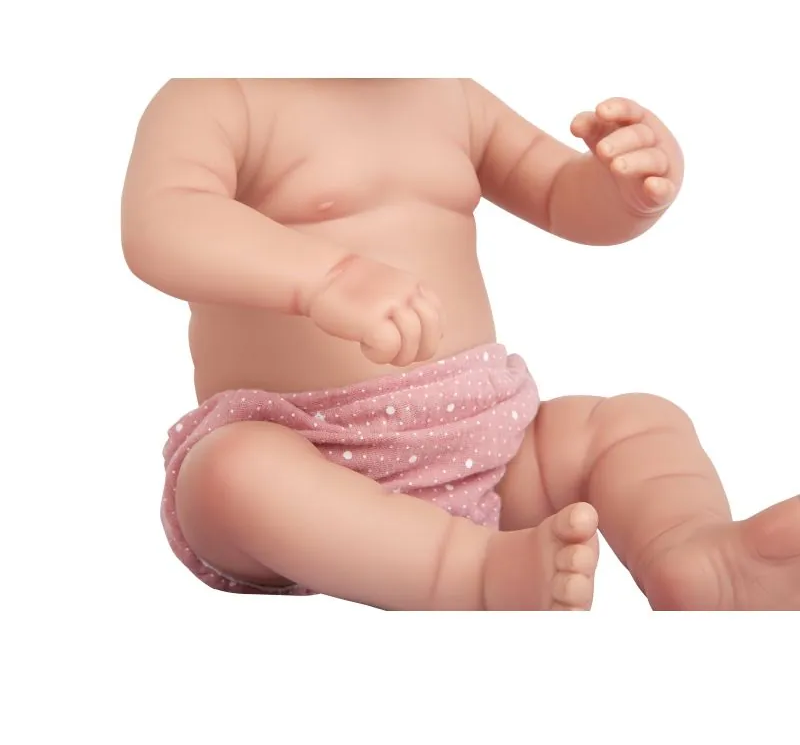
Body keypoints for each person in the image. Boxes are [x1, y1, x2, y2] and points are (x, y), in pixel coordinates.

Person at [121, 78, 800, 610]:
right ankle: (476, 578)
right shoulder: (218, 94)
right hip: (303, 452)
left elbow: (558, 193)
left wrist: (624, 192)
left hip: (489, 449)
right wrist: (325, 276)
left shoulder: (451, 94)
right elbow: (164, 222)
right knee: (232, 474)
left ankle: (693, 557)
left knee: (635, 423)